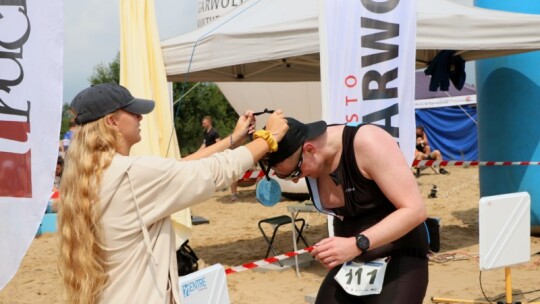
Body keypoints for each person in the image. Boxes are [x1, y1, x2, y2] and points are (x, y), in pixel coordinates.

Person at [58, 83, 288, 304]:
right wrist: (270, 136)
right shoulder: (132, 174)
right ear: (111, 121)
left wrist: (232, 139)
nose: (140, 117)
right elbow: (214, 171)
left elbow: (178, 168)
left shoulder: (89, 175)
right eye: (132, 112)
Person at [261, 118, 429, 304]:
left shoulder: (368, 142)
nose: (294, 181)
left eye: (295, 173)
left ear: (309, 150)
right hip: (353, 262)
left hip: (399, 255)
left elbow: (415, 210)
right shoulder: (307, 158)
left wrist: (356, 244)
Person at [199, 115, 239, 200]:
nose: (203, 124)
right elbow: (204, 144)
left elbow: (218, 143)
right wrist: (198, 152)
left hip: (215, 155)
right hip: (208, 155)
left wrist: (219, 153)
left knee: (222, 171)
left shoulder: (214, 132)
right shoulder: (205, 132)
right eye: (202, 123)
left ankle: (226, 188)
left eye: (204, 123)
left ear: (209, 123)